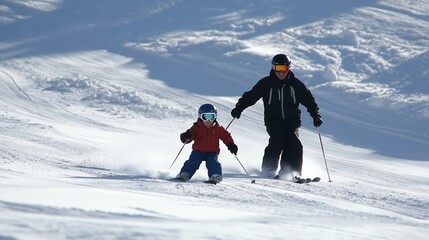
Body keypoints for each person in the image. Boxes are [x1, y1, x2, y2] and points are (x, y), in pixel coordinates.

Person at [230, 54, 322, 179]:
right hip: (273, 120)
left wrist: (315, 115)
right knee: (277, 138)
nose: (281, 72)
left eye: (284, 68)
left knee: (294, 142)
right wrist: (239, 108)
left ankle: (291, 171)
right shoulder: (266, 83)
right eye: (278, 68)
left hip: (292, 121)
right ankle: (269, 168)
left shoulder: (295, 84)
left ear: (288, 68)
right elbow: (251, 96)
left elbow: (309, 100)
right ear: (273, 68)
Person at [176, 103, 238, 183]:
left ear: (215, 117)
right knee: (192, 162)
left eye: (211, 117)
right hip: (198, 150)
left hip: (212, 152)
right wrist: (186, 136)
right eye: (205, 117)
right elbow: (191, 133)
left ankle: (216, 175)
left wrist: (231, 144)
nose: (208, 120)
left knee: (213, 163)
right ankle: (185, 174)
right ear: (200, 117)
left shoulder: (218, 129)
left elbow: (226, 136)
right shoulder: (197, 127)